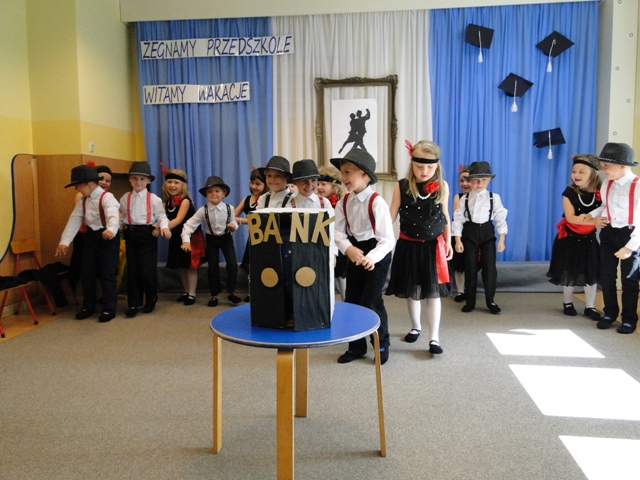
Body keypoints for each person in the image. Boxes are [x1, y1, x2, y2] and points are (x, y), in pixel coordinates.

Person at [385, 140, 453, 354]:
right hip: (408, 246)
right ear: (412, 164)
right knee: (412, 291)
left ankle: (434, 338)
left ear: (437, 166)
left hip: (433, 247)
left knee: (433, 293)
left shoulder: (442, 186)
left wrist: (449, 241)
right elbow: (391, 215)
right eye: (419, 166)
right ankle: (416, 326)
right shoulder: (402, 186)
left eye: (429, 167)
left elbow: (445, 216)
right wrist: (379, 230)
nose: (424, 171)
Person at [331, 148, 395, 365]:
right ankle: (356, 346)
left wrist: (372, 258)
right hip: (355, 251)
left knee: (372, 301)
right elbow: (338, 232)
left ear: (364, 175)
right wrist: (348, 248)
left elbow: (387, 240)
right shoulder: (343, 202)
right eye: (342, 172)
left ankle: (381, 344)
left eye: (348, 172)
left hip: (377, 252)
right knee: (353, 300)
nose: (343, 177)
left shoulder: (377, 202)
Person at [586, 143, 640, 334]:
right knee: (607, 276)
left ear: (622, 166)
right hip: (609, 233)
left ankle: (629, 319)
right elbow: (605, 206)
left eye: (606, 165)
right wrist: (592, 215)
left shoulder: (637, 186)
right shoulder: (607, 183)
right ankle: (609, 313)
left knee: (629, 280)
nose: (602, 169)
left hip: (631, 235)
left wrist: (630, 247)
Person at [55, 165, 120, 322]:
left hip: (108, 237)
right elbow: (74, 219)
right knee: (87, 273)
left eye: (77, 185)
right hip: (91, 237)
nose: (76, 188)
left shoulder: (107, 197)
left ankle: (109, 309)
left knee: (107, 273)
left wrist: (111, 229)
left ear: (88, 183)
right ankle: (88, 307)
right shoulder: (83, 201)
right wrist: (64, 242)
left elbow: (113, 215)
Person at [547, 155, 605, 320]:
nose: (576, 175)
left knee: (591, 272)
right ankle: (567, 302)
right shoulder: (569, 193)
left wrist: (594, 220)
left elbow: (604, 210)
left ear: (594, 173)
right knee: (569, 271)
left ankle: (590, 306)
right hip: (569, 238)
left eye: (581, 171)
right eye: (574, 171)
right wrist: (593, 221)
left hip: (589, 238)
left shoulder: (601, 193)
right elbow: (571, 218)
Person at [452, 161, 508, 314]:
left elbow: (501, 218)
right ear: (470, 180)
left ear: (489, 180)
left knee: (489, 268)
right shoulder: (464, 199)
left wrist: (502, 239)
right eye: (475, 180)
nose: (479, 183)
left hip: (487, 234)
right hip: (469, 234)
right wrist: (457, 240)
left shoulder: (493, 197)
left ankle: (491, 300)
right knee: (470, 267)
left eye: (483, 180)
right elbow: (458, 219)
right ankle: (470, 301)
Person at [119, 162, 171, 318]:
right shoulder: (125, 198)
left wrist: (164, 227)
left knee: (147, 270)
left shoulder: (154, 199)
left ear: (148, 181)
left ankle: (151, 298)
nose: (138, 182)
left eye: (142, 179)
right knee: (133, 269)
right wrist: (115, 228)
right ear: (129, 180)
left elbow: (161, 216)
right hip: (131, 234)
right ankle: (134, 303)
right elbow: (123, 217)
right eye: (134, 178)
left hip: (147, 235)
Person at [181, 176, 241, 307]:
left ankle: (231, 292)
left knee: (232, 265)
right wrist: (186, 240)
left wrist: (233, 226)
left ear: (223, 193)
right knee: (212, 268)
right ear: (206, 195)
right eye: (210, 191)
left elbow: (233, 222)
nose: (213, 194)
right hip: (211, 239)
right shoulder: (203, 210)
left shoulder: (229, 208)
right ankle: (214, 295)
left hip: (226, 239)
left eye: (217, 191)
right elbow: (189, 225)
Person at [162, 168, 204, 306]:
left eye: (176, 182)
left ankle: (192, 293)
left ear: (182, 185)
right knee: (181, 266)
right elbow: (161, 217)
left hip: (190, 237)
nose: (172, 185)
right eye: (169, 182)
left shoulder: (185, 201)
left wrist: (163, 228)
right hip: (175, 236)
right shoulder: (166, 202)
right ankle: (185, 291)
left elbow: (179, 219)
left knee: (190, 266)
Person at [235, 167, 269, 299]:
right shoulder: (247, 199)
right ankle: (252, 292)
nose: (254, 186)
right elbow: (233, 215)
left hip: (266, 237)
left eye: (258, 184)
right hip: (253, 237)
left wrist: (241, 221)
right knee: (252, 267)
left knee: (264, 266)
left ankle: (264, 292)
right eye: (252, 183)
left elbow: (260, 220)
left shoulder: (268, 200)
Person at [318, 166, 348, 300]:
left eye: (323, 184)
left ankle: (346, 300)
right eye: (318, 184)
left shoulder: (341, 202)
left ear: (334, 185)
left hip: (339, 242)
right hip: (323, 241)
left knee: (342, 275)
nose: (319, 187)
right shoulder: (317, 203)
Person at [450, 166, 471, 302]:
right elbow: (456, 218)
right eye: (462, 181)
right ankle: (460, 291)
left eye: (467, 180)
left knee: (471, 264)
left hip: (474, 234)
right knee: (459, 266)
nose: (464, 183)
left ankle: (471, 289)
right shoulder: (458, 197)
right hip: (460, 234)